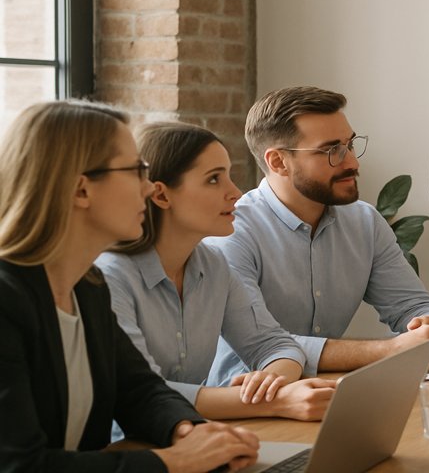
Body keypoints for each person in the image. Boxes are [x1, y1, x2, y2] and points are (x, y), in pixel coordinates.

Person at [0, 101, 259, 472]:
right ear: (81, 190)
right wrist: (170, 462)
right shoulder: (7, 302)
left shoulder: (87, 288)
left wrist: (190, 432)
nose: (147, 188)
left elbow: (140, 389)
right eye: (136, 170)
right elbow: (20, 466)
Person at [206, 86, 429, 385]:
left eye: (350, 145)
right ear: (278, 162)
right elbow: (262, 344)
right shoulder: (230, 232)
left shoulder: (364, 221)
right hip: (243, 402)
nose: (352, 163)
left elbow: (411, 305)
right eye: (331, 151)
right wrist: (393, 349)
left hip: (328, 389)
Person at [95, 122, 337, 423]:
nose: (235, 193)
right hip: (125, 451)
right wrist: (272, 403)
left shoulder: (214, 265)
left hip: (196, 435)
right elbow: (144, 392)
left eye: (228, 176)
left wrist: (272, 380)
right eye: (213, 180)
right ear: (161, 196)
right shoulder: (107, 278)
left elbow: (275, 345)